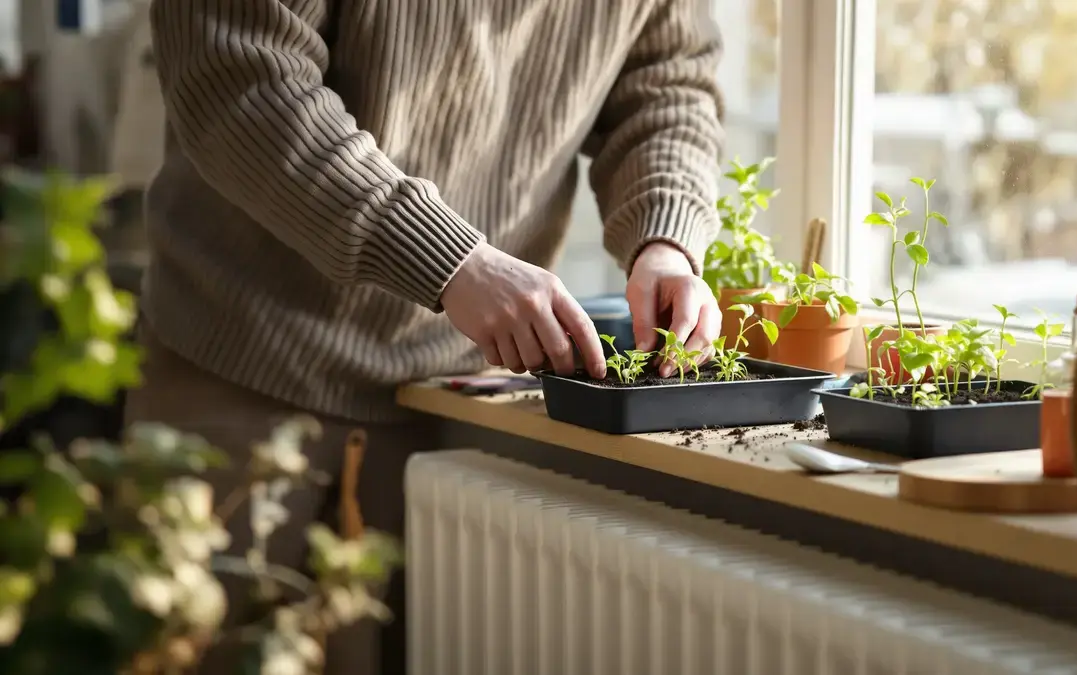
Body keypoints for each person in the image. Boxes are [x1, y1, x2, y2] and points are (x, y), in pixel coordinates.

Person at [125, 0, 724, 672]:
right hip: (240, 365)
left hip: (456, 395)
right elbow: (238, 79)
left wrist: (666, 239)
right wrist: (448, 259)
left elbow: (667, 82)